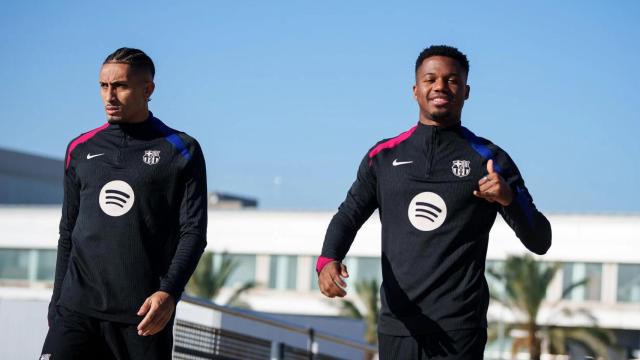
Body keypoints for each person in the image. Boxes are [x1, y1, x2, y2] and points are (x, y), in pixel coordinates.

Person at [316, 45, 551, 359]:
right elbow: (349, 215)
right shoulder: (383, 156)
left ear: (466, 91)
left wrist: (507, 198)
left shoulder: (490, 160)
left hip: (459, 331)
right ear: (415, 90)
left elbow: (540, 240)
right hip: (397, 326)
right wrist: (327, 260)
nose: (441, 86)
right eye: (430, 79)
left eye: (452, 80)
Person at [41, 47, 208, 360]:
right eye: (103, 86)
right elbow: (69, 233)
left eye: (120, 86)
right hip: (77, 311)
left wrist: (169, 293)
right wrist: (58, 303)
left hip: (143, 318)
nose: (109, 96)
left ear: (148, 89)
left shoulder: (181, 150)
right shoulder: (80, 148)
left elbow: (194, 233)